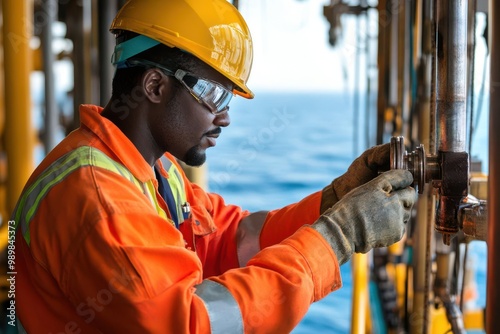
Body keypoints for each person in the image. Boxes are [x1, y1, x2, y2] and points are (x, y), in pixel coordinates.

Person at [12, 0, 417, 332]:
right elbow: (191, 323)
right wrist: (338, 237)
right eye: (213, 96)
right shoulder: (99, 198)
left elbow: (229, 240)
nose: (224, 118)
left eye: (230, 101)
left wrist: (334, 201)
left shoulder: (153, 170)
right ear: (154, 86)